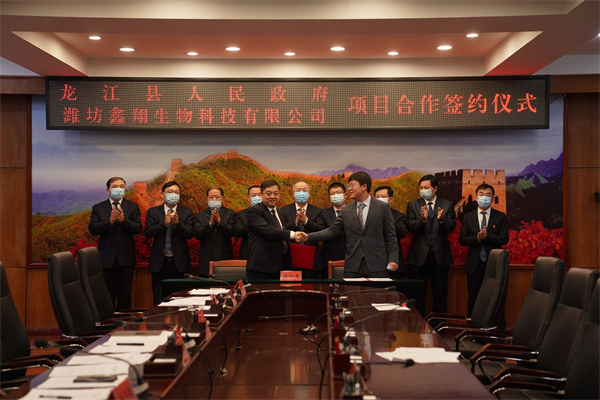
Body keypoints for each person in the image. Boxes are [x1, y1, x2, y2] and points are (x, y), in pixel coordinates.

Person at [299, 171, 399, 278]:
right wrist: (308, 236)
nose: (349, 189)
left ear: (364, 186)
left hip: (377, 265)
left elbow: (390, 235)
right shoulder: (346, 210)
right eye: (348, 186)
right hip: (353, 267)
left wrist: (393, 259)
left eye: (352, 185)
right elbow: (332, 231)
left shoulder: (382, 207)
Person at [88, 177, 142, 310]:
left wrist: (123, 221)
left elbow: (138, 228)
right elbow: (93, 229)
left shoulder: (132, 206)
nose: (118, 189)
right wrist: (110, 222)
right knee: (107, 299)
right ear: (108, 190)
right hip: (106, 259)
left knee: (125, 299)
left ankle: (124, 323)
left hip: (126, 259)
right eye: (115, 186)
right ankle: (109, 323)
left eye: (121, 186)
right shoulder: (98, 208)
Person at [406, 174, 456, 313]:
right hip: (418, 258)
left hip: (440, 257)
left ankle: (439, 325)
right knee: (416, 297)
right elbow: (410, 227)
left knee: (440, 296)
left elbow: (451, 227)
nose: (423, 190)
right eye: (421, 188)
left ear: (435, 188)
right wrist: (422, 220)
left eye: (426, 188)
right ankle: (417, 324)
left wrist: (441, 220)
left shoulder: (447, 205)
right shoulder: (413, 205)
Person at [458, 183, 509, 317]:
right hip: (474, 265)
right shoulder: (468, 217)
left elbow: (504, 239)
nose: (484, 197)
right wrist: (477, 238)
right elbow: (462, 239)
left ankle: (496, 328)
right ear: (476, 196)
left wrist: (487, 237)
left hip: (494, 264)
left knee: (495, 299)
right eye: (481, 194)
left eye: (488, 195)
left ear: (492, 198)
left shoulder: (500, 217)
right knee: (473, 299)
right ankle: (472, 327)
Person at [144, 181, 195, 305]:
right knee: (159, 299)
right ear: (163, 195)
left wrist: (178, 223)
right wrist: (164, 224)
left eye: (177, 192)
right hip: (159, 263)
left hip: (179, 263)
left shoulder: (186, 212)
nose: (174, 195)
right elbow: (148, 232)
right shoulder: (153, 212)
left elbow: (190, 234)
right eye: (170, 192)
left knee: (180, 300)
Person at [246, 180, 304, 280]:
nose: (273, 196)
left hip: (281, 265)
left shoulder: (280, 212)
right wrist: (292, 235)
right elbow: (267, 230)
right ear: (261, 194)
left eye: (276, 193)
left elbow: (281, 229)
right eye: (269, 194)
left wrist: (295, 223)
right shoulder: (254, 211)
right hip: (262, 267)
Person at [279, 181, 325, 278]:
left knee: (310, 285)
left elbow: (321, 229)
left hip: (311, 257)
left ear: (308, 194)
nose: (301, 193)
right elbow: (282, 229)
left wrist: (306, 221)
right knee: (292, 286)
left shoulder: (317, 211)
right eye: (298, 190)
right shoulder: (284, 210)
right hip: (290, 256)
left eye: (304, 190)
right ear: (293, 195)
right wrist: (295, 223)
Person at [193, 187, 239, 277]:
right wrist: (209, 224)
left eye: (217, 197)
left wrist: (219, 222)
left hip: (224, 258)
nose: (214, 199)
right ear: (207, 198)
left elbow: (231, 232)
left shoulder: (230, 214)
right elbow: (197, 234)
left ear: (222, 198)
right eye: (211, 197)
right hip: (206, 260)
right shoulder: (200, 215)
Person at [374, 185, 408, 278]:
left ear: (390, 199)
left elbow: (403, 232)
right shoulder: (368, 215)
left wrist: (386, 217)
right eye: (377, 197)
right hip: (374, 261)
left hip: (392, 261)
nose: (380, 199)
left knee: (393, 286)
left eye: (383, 196)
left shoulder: (398, 216)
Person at [321, 182, 347, 271]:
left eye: (339, 192)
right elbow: (322, 232)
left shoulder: (353, 211)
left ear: (345, 195)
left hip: (349, 256)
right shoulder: (323, 213)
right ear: (329, 197)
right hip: (329, 257)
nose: (336, 195)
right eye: (333, 193)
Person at [233, 185, 262, 260]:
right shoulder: (241, 215)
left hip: (267, 253)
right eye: (254, 195)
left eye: (259, 195)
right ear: (248, 198)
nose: (257, 198)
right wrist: (250, 221)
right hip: (248, 253)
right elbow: (237, 233)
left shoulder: (270, 213)